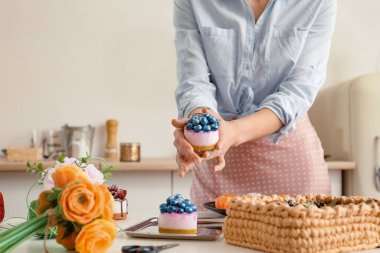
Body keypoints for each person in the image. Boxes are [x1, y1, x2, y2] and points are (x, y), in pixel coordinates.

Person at [171, 0, 337, 206]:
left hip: (290, 159)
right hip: (218, 158)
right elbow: (194, 81)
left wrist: (232, 132)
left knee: (300, 234)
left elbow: (298, 91)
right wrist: (199, 126)